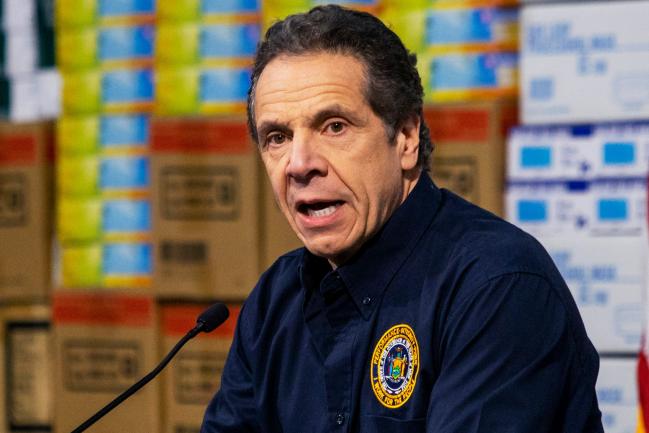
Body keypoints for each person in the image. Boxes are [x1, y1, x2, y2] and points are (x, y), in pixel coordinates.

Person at [201, 5, 603, 432]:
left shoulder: (497, 284)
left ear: (407, 138)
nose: (299, 164)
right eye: (277, 138)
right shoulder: (273, 303)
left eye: (334, 126)